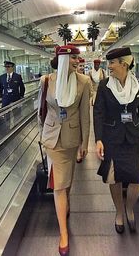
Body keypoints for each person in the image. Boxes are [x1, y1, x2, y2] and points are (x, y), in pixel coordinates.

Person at [38, 45, 91, 256]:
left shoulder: (83, 82)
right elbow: (41, 109)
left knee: (66, 181)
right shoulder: (46, 80)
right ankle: (63, 234)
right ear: (62, 59)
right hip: (52, 138)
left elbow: (85, 115)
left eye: (78, 57)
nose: (77, 60)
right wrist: (41, 134)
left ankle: (66, 203)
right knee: (59, 185)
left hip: (72, 137)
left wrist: (84, 143)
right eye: (73, 58)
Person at [93, 47, 139, 234]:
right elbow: (98, 113)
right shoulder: (104, 86)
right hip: (112, 138)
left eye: (112, 63)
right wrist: (98, 139)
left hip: (132, 138)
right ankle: (118, 212)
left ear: (124, 64)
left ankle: (129, 207)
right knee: (114, 178)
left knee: (137, 181)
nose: (109, 67)